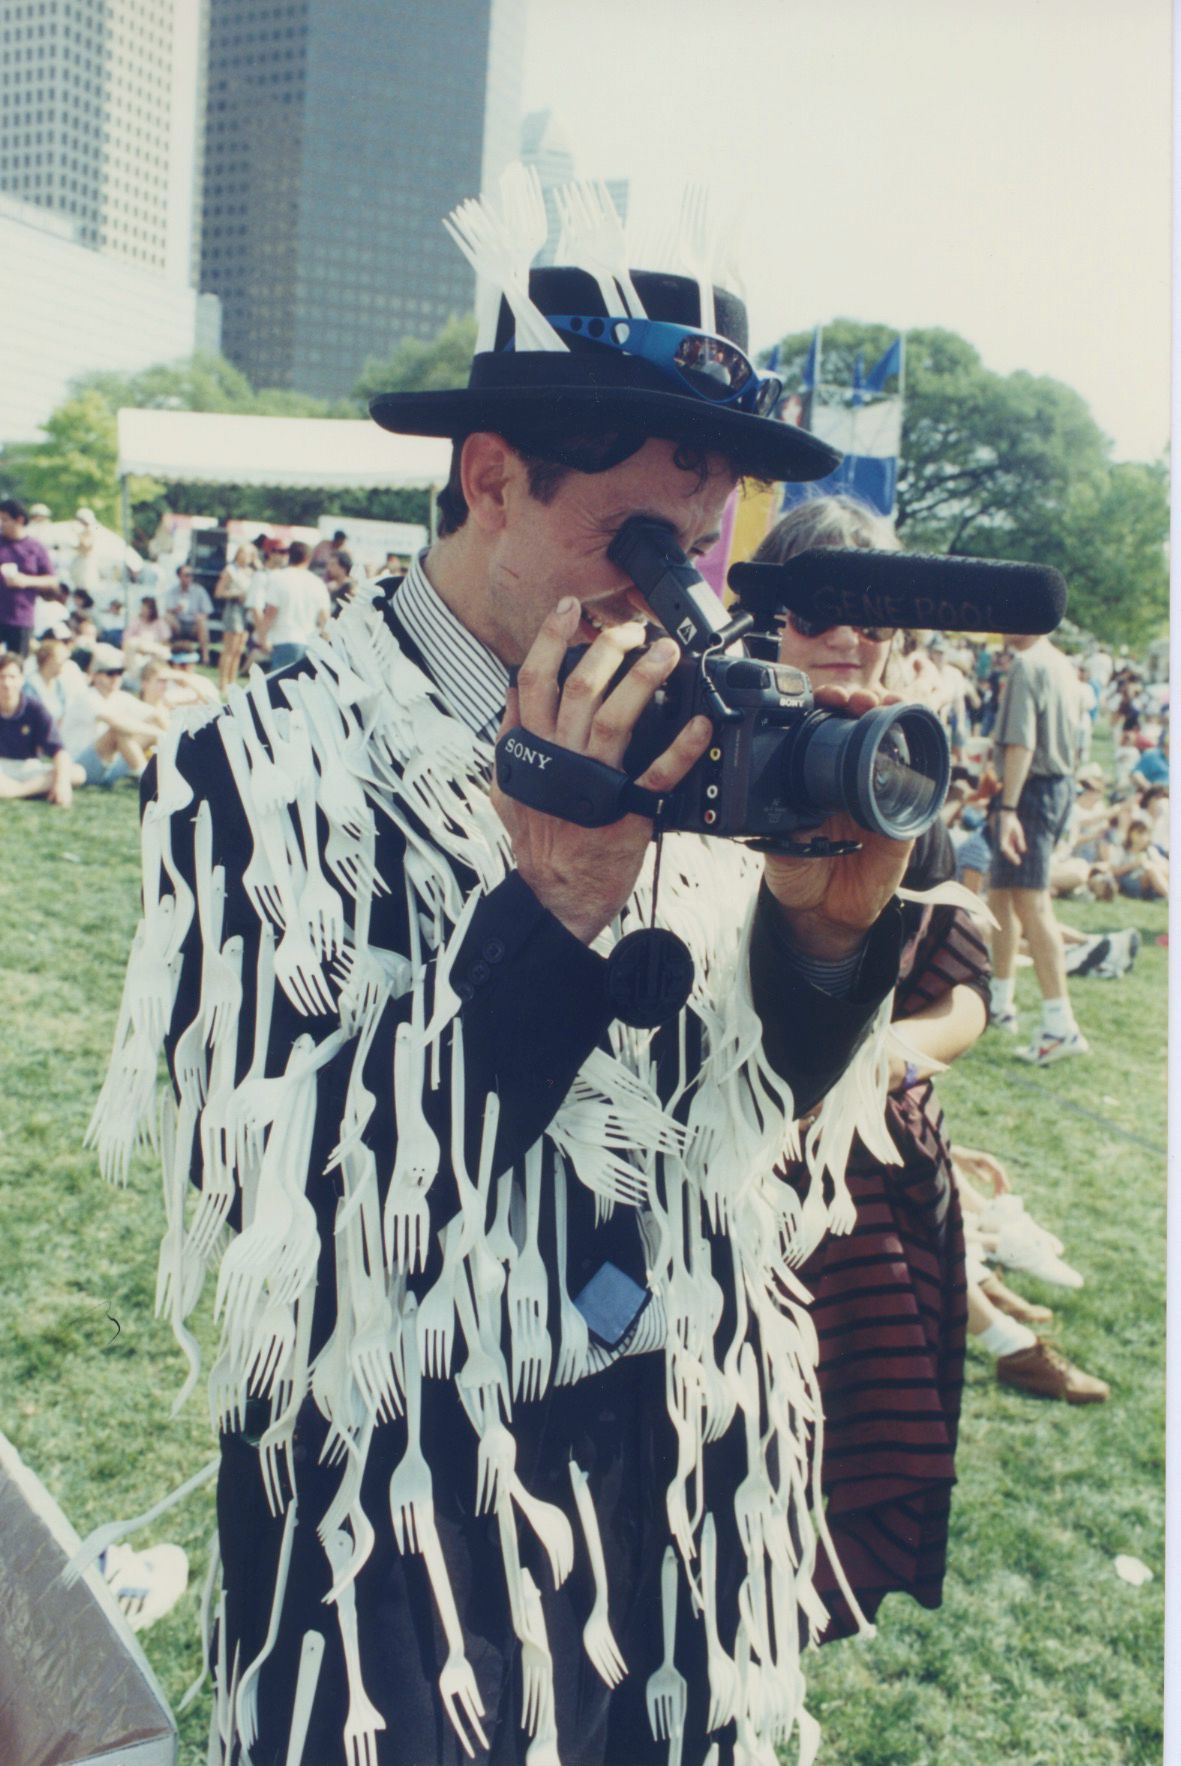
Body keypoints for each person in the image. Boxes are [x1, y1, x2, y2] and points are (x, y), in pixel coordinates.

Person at [92, 194, 924, 1766]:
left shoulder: (702, 729)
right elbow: (294, 1224)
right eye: (639, 541)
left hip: (689, 1483)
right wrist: (548, 902)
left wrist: (823, 942)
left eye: (703, 544)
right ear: (490, 473)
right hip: (411, 1529)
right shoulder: (253, 767)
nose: (677, 593)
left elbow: (745, 1119)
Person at [754, 493, 987, 1637]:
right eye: (819, 610)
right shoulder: (706, 755)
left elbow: (964, 999)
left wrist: (876, 1050)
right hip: (733, 1183)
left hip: (871, 1185)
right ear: (764, 616)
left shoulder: (907, 771)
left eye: (877, 616)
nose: (851, 637)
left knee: (837, 1483)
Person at [987, 628, 1088, 1064]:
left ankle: (1060, 1025)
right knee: (1001, 894)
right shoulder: (1061, 662)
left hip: (1030, 791)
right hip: (1052, 786)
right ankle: (999, 1001)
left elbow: (1021, 742)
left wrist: (1009, 807)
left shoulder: (1027, 665)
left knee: (1032, 904)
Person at [0, 649, 84, 805]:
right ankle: (30, 789)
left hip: (27, 767)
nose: (6, 684)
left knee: (77, 773)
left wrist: (61, 783)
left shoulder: (34, 709)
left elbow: (59, 751)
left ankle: (16, 791)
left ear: (21, 679)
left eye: (12, 677)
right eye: (1, 677)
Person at [252, 539, 330, 669]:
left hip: (284, 639)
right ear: (308, 558)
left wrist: (262, 638)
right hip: (309, 642)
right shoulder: (318, 583)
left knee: (279, 681)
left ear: (289, 555)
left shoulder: (278, 578)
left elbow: (271, 613)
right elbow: (325, 619)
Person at [0, 497, 64, 657]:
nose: (1, 524)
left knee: (17, 661)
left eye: (5, 520)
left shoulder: (35, 547)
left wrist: (25, 581)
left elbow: (52, 580)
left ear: (19, 520)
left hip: (21, 617)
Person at [213, 542, 262, 693]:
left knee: (239, 649)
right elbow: (219, 592)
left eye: (250, 554)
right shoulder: (230, 570)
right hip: (234, 608)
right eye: (244, 553)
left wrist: (258, 565)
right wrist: (237, 594)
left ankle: (232, 681)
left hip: (246, 611)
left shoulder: (252, 572)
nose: (247, 557)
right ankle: (223, 682)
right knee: (230, 648)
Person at [163, 564, 215, 665]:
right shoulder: (172, 591)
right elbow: (167, 610)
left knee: (202, 621)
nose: (189, 577)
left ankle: (205, 657)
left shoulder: (199, 591)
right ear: (179, 576)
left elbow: (207, 611)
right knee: (166, 618)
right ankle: (166, 653)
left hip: (193, 624)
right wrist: (176, 609)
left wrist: (200, 616)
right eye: (186, 575)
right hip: (178, 623)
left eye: (191, 575)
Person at [122, 595, 173, 663]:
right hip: (138, 651)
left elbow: (165, 640)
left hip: (155, 650)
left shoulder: (160, 622)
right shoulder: (136, 622)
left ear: (152, 610)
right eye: (142, 607)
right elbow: (126, 639)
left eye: (146, 608)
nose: (143, 610)